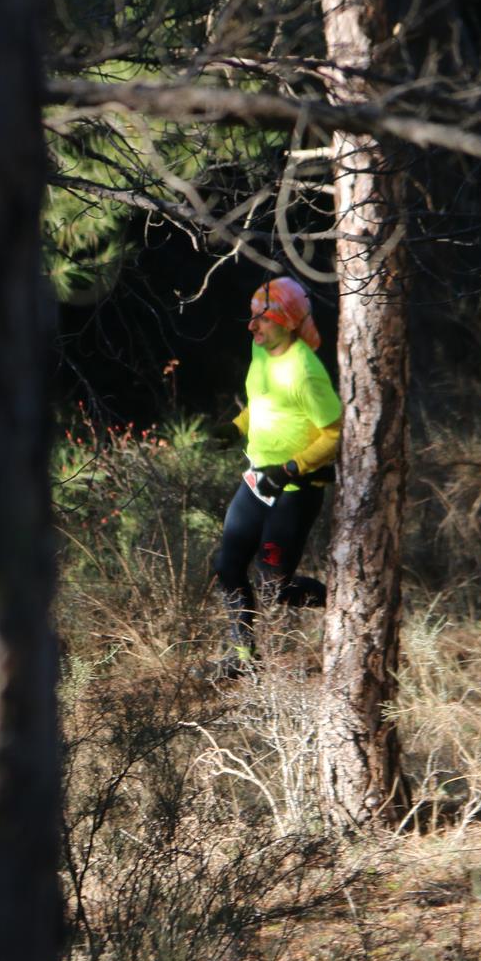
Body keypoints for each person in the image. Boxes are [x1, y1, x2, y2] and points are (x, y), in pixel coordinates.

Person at [206, 276, 342, 674]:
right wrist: (236, 427)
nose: (253, 327)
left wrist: (289, 469)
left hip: (295, 488)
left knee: (272, 587)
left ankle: (349, 603)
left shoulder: (306, 371)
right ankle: (243, 659)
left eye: (263, 320)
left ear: (290, 322)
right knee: (228, 567)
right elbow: (264, 402)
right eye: (252, 318)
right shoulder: (260, 349)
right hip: (256, 479)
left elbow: (335, 433)